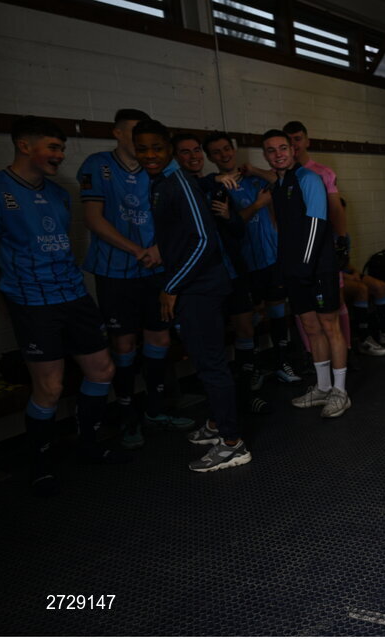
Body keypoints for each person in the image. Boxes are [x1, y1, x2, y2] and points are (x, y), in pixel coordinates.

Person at [0, 116, 129, 496]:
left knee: (102, 369)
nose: (60, 155)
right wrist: (7, 305)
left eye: (61, 148)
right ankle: (40, 464)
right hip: (32, 301)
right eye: (53, 147)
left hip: (72, 293)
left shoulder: (58, 193)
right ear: (25, 145)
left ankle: (89, 444)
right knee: (50, 388)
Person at [133, 119, 250, 472]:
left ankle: (233, 444)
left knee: (211, 364)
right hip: (190, 285)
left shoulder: (177, 183)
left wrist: (171, 285)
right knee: (203, 361)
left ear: (167, 148)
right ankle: (217, 424)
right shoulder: (161, 182)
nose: (150, 155)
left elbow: (204, 241)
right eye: (142, 149)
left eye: (157, 147)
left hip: (199, 287)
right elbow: (180, 238)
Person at [78, 108, 193, 450]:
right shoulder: (96, 165)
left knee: (159, 339)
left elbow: (179, 218)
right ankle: (129, 417)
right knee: (124, 346)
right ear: (116, 133)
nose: (140, 141)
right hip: (116, 271)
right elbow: (93, 219)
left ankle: (156, 411)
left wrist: (158, 248)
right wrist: (136, 249)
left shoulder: (166, 168)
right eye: (132, 132)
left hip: (157, 269)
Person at [260, 129, 351, 418]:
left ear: (292, 149)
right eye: (271, 150)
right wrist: (286, 268)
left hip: (318, 268)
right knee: (311, 329)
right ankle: (322, 388)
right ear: (266, 156)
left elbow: (316, 224)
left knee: (329, 326)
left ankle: (340, 391)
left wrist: (303, 265)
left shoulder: (308, 179)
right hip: (295, 271)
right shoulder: (279, 184)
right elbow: (286, 232)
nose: (278, 154)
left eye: (283, 148)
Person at [182, 132, 272, 416]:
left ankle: (245, 393)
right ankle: (222, 407)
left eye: (197, 150)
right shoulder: (184, 185)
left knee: (246, 327)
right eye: (187, 152)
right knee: (213, 340)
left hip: (233, 270)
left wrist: (227, 216)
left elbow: (235, 229)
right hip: (202, 278)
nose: (194, 156)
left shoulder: (218, 186)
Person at [281, 121, 353, 352]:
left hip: (323, 253)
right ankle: (315, 357)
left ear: (307, 141)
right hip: (296, 255)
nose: (294, 145)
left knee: (335, 301)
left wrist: (342, 241)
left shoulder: (321, 173)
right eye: (289, 141)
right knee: (305, 310)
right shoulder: (281, 177)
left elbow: (336, 209)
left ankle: (346, 350)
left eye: (298, 139)